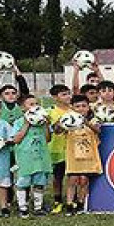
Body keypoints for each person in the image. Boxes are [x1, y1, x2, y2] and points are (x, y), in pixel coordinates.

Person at [57, 94, 101, 214]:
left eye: (84, 106)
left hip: (89, 156)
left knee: (84, 180)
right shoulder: (69, 121)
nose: (81, 109)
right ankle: (70, 204)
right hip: (74, 157)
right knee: (73, 179)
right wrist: (60, 124)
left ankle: (81, 203)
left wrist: (86, 122)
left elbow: (98, 130)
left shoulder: (93, 120)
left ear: (88, 107)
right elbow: (57, 131)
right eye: (77, 106)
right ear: (72, 108)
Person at [10, 94, 52, 217]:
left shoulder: (42, 122)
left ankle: (38, 207)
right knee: (23, 182)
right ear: (23, 108)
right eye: (31, 104)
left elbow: (48, 139)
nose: (35, 107)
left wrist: (45, 125)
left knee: (40, 182)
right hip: (25, 158)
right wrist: (26, 124)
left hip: (41, 157)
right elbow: (16, 140)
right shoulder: (18, 122)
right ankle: (22, 207)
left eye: (37, 104)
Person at [47, 84, 72, 214]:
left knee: (72, 176)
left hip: (73, 148)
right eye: (64, 94)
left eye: (68, 93)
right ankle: (57, 201)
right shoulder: (50, 111)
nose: (68, 96)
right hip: (56, 148)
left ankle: (71, 200)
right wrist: (59, 124)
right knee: (57, 177)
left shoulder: (75, 109)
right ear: (55, 97)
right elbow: (52, 130)